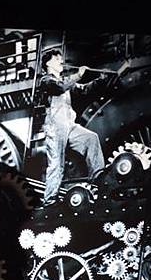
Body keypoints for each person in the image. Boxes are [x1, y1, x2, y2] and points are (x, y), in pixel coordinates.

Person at [38, 48, 106, 201]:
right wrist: (78, 75)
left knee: (91, 138)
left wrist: (100, 80)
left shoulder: (65, 82)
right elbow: (59, 87)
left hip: (69, 125)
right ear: (48, 63)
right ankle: (50, 199)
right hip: (55, 128)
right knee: (57, 164)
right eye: (57, 59)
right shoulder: (46, 81)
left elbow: (83, 90)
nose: (61, 61)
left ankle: (99, 179)